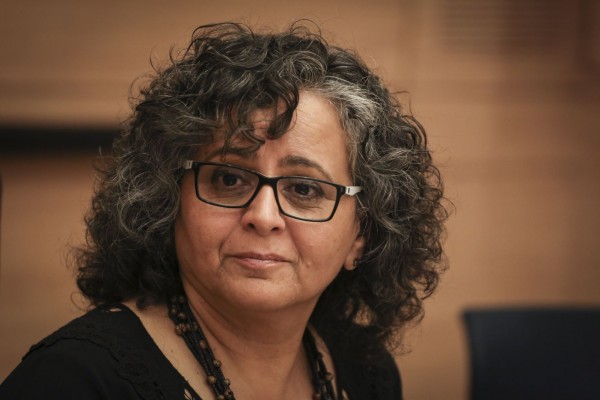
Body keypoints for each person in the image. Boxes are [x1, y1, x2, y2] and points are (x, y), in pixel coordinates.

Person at [0, 22, 448, 399]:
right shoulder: (72, 380)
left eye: (305, 188)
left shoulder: (366, 371)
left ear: (361, 235)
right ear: (167, 201)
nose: (264, 216)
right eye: (229, 180)